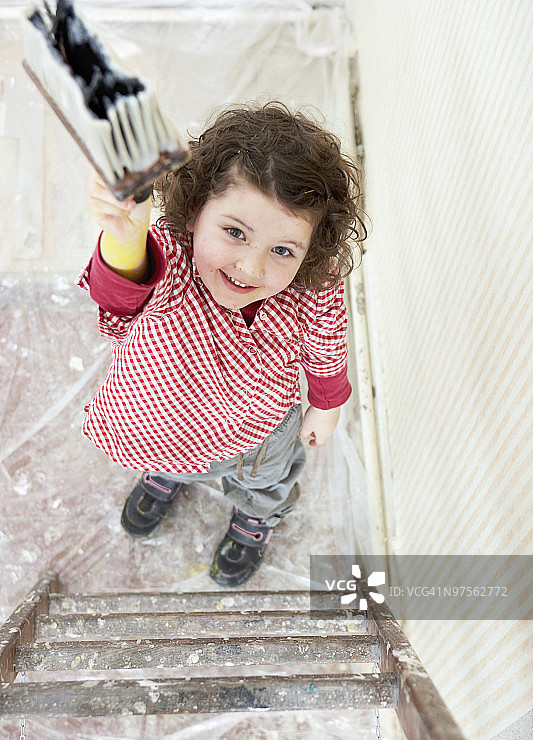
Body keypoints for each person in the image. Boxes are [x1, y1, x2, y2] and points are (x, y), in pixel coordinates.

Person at [81, 102, 365, 587]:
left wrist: (325, 404)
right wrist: (125, 241)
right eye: (235, 232)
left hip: (259, 435)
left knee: (265, 484)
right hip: (162, 427)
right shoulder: (172, 261)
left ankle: (254, 518)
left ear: (310, 252)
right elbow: (121, 293)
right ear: (193, 214)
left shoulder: (312, 286)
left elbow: (327, 342)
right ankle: (166, 475)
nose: (250, 270)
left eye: (282, 251)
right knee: (170, 460)